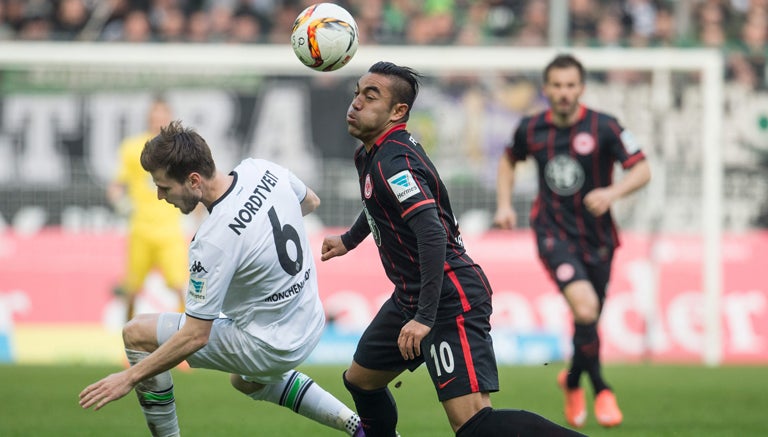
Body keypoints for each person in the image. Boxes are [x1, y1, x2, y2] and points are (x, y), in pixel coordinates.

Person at [321, 61, 585, 437]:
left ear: (399, 112)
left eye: (370, 95)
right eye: (357, 93)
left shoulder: (394, 161)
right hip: (412, 295)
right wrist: (350, 239)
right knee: (361, 380)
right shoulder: (372, 153)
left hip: (448, 294)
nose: (357, 103)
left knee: (473, 423)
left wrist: (425, 317)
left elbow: (431, 233)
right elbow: (380, 203)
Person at [81, 120, 364, 437]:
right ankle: (359, 427)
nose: (160, 195)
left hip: (269, 345)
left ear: (193, 180)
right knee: (244, 380)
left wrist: (129, 378)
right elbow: (310, 201)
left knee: (136, 334)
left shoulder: (212, 242)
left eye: (164, 186)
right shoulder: (261, 169)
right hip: (309, 320)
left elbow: (195, 336)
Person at [494, 54, 652, 429]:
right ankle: (601, 387)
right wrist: (503, 204)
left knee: (590, 316)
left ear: (581, 88)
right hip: (552, 233)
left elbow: (642, 169)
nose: (564, 93)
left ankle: (571, 379)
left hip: (599, 238)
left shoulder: (605, 127)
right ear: (546, 89)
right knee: (585, 309)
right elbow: (507, 161)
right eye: (557, 86)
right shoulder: (531, 128)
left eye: (570, 85)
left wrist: (613, 193)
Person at [107, 97, 187, 324]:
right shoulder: (133, 148)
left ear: (168, 118)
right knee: (131, 290)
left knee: (179, 286)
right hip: (140, 230)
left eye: (162, 115)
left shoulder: (177, 150)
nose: (158, 120)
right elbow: (116, 186)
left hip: (169, 232)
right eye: (155, 116)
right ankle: (128, 341)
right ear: (149, 118)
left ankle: (184, 340)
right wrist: (120, 203)